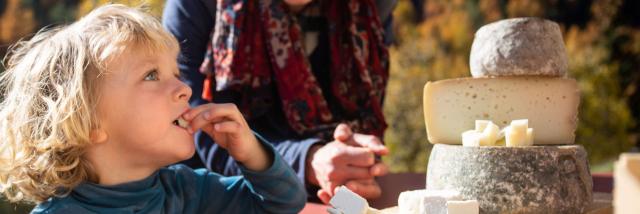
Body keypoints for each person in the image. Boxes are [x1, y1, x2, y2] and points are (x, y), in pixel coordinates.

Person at [0, 4, 306, 213]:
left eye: (176, 74)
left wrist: (252, 153)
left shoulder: (188, 189)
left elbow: (282, 205)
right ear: (86, 119)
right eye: (151, 75)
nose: (185, 89)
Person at [162, 0, 397, 203]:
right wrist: (307, 160)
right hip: (217, 196)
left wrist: (356, 155)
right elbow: (197, 128)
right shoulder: (197, 6)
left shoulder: (370, 7)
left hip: (333, 196)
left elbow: (366, 106)